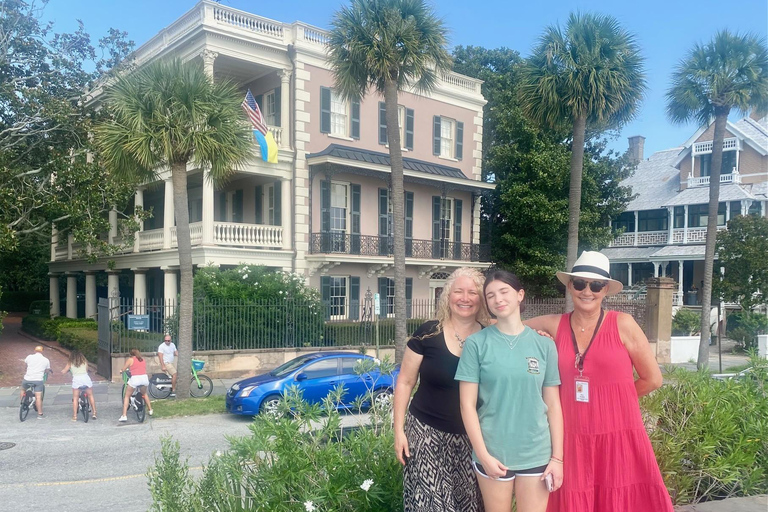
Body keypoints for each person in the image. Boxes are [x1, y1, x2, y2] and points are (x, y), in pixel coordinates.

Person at [526, 251, 673, 512]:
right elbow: (505, 329)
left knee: (618, 498)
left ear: (605, 289)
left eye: (595, 285)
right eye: (580, 283)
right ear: (570, 286)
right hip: (570, 434)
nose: (587, 291)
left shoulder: (623, 324)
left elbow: (653, 379)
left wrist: (613, 400)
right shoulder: (552, 324)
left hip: (617, 432)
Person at [456, 271, 563, 512]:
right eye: (491, 295)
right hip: (494, 453)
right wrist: (483, 455)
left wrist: (557, 458)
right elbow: (467, 406)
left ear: (520, 295)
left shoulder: (545, 345)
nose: (498, 299)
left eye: (504, 292)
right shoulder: (476, 344)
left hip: (536, 452)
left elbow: (553, 405)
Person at [393, 267, 491, 511]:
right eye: (458, 291)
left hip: (473, 440)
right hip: (425, 435)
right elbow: (405, 382)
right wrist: (398, 432)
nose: (465, 298)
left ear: (482, 299)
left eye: (472, 292)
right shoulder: (427, 333)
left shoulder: (492, 338)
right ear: (448, 296)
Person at [61, 349, 97, 421]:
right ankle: (94, 413)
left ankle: (75, 416)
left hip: (77, 380)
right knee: (90, 395)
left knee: (75, 398)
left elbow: (64, 371)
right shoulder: (84, 361)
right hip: (86, 379)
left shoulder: (70, 362)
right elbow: (86, 370)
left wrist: (64, 371)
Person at [119, 348, 153, 421]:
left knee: (127, 396)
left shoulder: (130, 359)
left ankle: (124, 415)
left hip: (135, 379)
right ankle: (150, 410)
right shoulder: (142, 359)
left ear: (131, 354)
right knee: (144, 393)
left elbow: (124, 368)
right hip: (144, 378)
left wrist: (121, 371)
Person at [20, 345, 51, 419]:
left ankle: (22, 404)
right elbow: (47, 370)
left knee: (23, 389)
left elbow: (25, 365)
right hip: (38, 380)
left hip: (27, 379)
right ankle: (40, 414)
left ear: (34, 351)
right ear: (42, 351)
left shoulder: (29, 357)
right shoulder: (46, 360)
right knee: (38, 397)